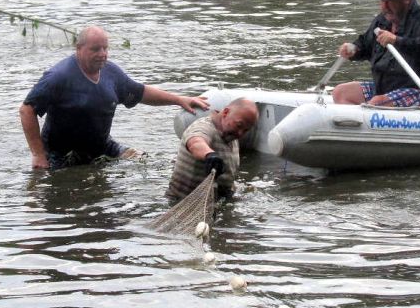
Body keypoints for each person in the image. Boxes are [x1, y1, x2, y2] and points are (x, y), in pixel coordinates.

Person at [19, 25, 210, 169]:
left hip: (103, 147)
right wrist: (38, 154)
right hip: (60, 155)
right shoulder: (59, 76)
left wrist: (179, 99)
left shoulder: (111, 73)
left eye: (105, 48)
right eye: (95, 49)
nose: (102, 54)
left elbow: (140, 92)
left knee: (146, 164)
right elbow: (27, 109)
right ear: (78, 48)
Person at [333, 0, 420, 107]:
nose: (384, 7)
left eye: (390, 2)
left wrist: (397, 41)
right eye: (382, 1)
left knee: (378, 102)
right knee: (340, 92)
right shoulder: (381, 20)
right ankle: (355, 125)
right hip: (385, 88)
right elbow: (365, 44)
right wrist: (353, 49)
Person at [167, 98, 259, 201]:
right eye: (239, 125)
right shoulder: (204, 126)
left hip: (216, 202)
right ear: (225, 113)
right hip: (183, 202)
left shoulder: (231, 135)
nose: (240, 133)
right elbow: (196, 142)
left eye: (246, 130)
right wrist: (209, 155)